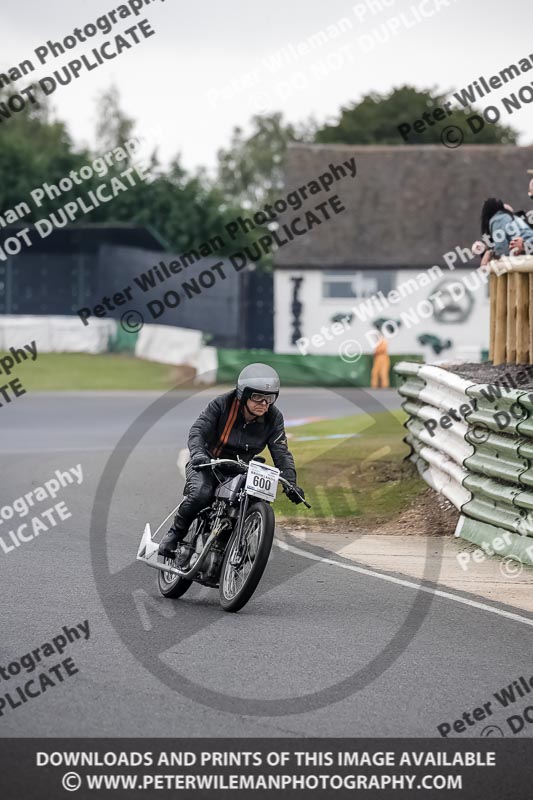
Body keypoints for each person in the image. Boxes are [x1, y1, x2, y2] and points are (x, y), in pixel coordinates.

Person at [158, 363, 305, 559]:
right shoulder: (222, 404)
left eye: (269, 398)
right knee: (202, 494)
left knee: (253, 498)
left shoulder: (274, 417)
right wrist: (199, 455)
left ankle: (228, 545)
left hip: (240, 470)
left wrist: (291, 482)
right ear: (243, 394)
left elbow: (281, 452)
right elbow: (198, 431)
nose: (263, 403)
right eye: (257, 397)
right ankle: (175, 535)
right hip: (208, 464)